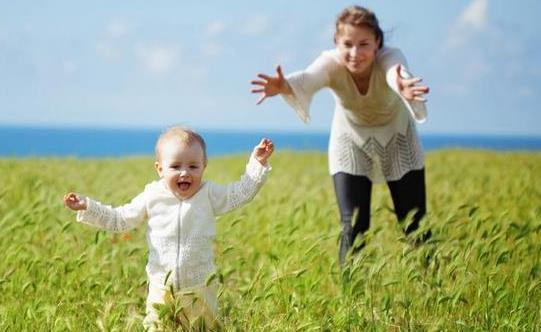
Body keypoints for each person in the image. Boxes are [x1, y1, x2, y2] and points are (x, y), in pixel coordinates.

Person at [251, 5, 431, 266]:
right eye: (347, 44)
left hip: (398, 139)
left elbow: (395, 72)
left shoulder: (391, 57)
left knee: (414, 223)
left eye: (364, 44)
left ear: (377, 42)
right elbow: (309, 78)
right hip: (350, 142)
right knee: (353, 225)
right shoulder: (331, 62)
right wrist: (284, 85)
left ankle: (431, 284)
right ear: (336, 42)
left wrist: (402, 84)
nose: (355, 53)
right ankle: (353, 294)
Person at [63, 126, 274, 330]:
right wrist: (88, 207)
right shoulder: (152, 196)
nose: (185, 173)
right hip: (161, 288)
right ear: (159, 168)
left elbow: (240, 193)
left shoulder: (209, 194)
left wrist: (257, 162)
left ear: (204, 165)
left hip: (200, 288)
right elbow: (120, 219)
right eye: (175, 166)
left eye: (193, 166)